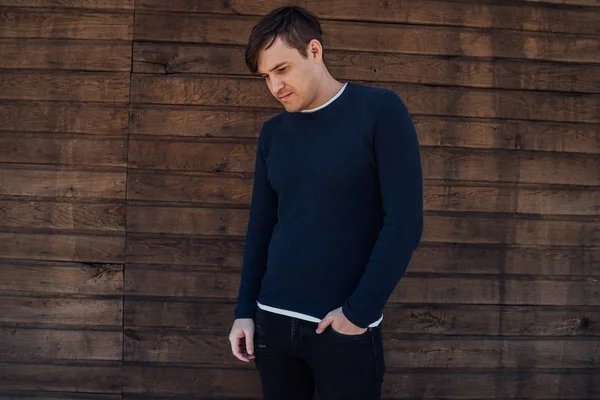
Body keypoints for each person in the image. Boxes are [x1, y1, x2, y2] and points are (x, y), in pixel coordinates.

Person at [228, 5, 424, 400]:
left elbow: (404, 221)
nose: (275, 86)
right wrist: (245, 310)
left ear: (314, 51)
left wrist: (358, 315)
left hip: (342, 330)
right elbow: (261, 227)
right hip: (273, 326)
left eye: (281, 69)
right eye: (266, 77)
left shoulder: (380, 111)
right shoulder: (273, 133)